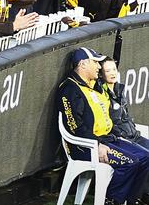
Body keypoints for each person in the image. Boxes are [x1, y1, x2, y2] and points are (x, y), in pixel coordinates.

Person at [58, 47, 149, 205]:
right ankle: (112, 200)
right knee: (130, 162)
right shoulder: (70, 89)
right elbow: (74, 126)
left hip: (108, 139)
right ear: (83, 64)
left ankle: (131, 200)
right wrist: (97, 144)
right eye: (96, 63)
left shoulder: (93, 86)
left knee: (146, 157)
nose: (99, 67)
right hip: (86, 147)